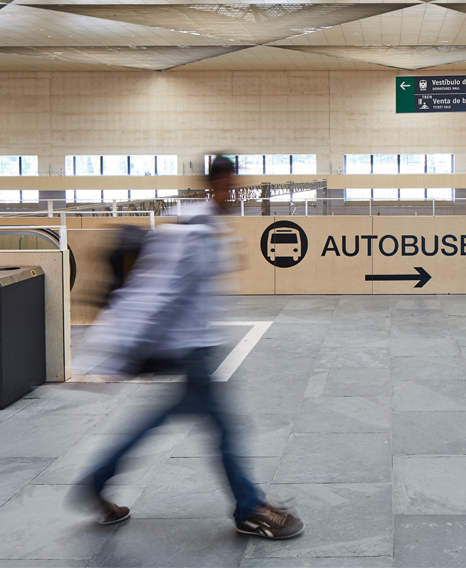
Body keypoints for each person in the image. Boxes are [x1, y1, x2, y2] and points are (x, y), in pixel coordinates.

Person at [72, 156, 304, 540]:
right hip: (190, 349)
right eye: (231, 186)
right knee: (227, 429)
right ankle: (249, 509)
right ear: (218, 183)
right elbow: (161, 293)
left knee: (159, 421)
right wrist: (119, 352)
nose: (235, 193)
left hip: (197, 346)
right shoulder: (196, 229)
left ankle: (97, 482)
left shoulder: (206, 225)